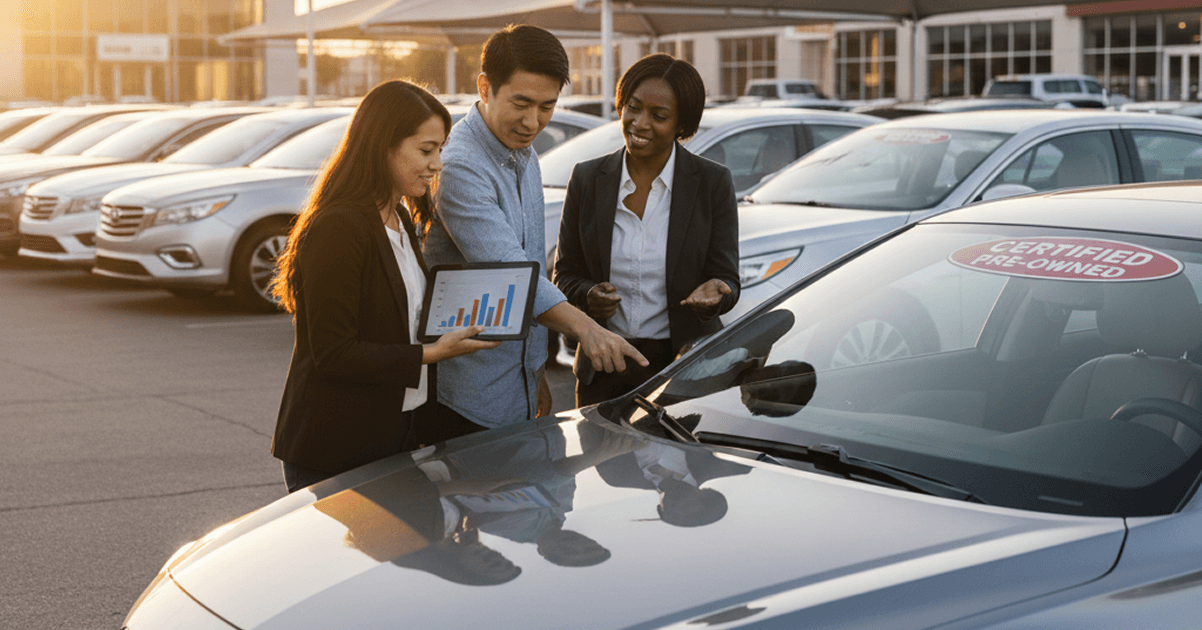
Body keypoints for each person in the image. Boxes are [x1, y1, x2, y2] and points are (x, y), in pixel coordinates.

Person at [270, 80, 498, 493]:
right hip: (335, 449)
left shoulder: (399, 218)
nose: (437, 164)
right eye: (426, 150)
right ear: (383, 146)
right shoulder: (338, 227)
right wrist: (431, 353)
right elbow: (334, 354)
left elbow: (403, 316)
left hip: (396, 438)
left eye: (441, 150)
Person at [422, 24, 647, 441]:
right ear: (485, 86)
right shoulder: (459, 165)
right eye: (521, 103)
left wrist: (533, 371)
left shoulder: (522, 152)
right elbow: (514, 271)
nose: (532, 122)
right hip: (463, 391)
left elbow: (531, 270)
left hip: (514, 383)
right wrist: (589, 330)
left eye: (547, 107)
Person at [554, 53, 740, 406]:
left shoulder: (713, 183)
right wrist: (589, 295)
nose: (640, 123)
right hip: (604, 364)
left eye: (659, 116)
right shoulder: (587, 178)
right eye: (633, 108)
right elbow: (564, 275)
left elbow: (727, 278)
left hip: (683, 369)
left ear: (682, 124)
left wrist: (719, 293)